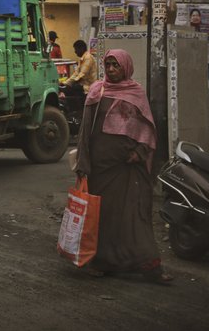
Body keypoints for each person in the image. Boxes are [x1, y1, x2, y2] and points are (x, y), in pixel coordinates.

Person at [74, 48, 173, 283]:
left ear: (125, 67)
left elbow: (146, 129)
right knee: (103, 218)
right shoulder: (98, 91)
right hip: (101, 169)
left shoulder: (136, 93)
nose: (110, 69)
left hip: (130, 168)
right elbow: (85, 130)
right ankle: (99, 262)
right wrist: (83, 163)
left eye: (115, 65)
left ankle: (151, 266)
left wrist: (139, 152)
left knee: (136, 215)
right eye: (107, 65)